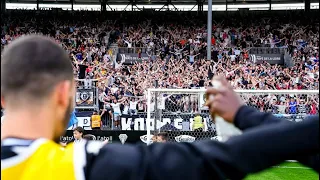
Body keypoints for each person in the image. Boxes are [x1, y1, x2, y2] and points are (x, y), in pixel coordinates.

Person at [1, 35, 318, 180]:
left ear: (2, 97)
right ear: (63, 95)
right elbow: (215, 160)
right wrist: (242, 114)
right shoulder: (78, 165)